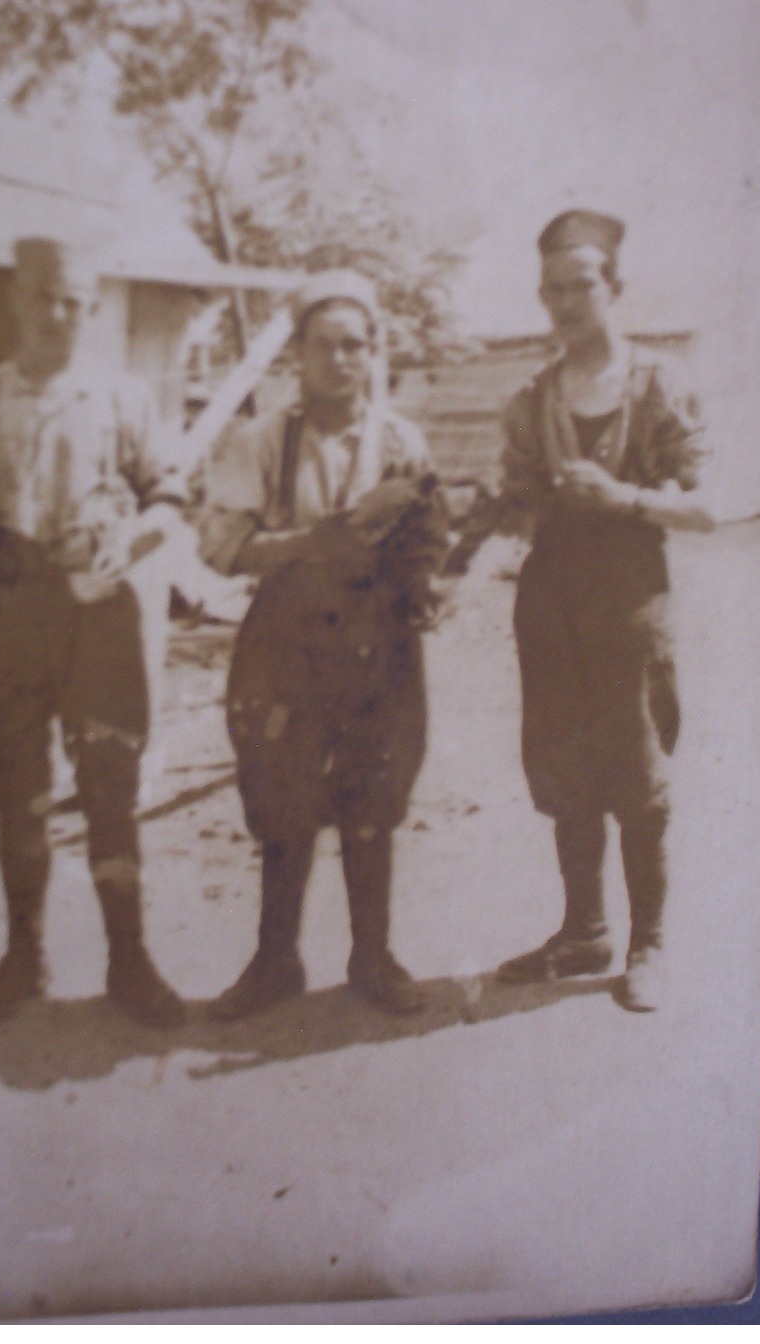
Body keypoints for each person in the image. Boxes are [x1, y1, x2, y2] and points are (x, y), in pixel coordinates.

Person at [0, 236, 187, 1027]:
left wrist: (130, 538)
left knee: (109, 786)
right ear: (17, 298)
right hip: (6, 607)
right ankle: (23, 955)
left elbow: (170, 498)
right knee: (18, 791)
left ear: (93, 307)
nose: (60, 314)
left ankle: (129, 961)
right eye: (45, 296)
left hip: (97, 613)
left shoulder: (122, 396)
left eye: (76, 301)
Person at [200, 270, 450, 1019]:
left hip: (379, 642)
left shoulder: (401, 440)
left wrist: (423, 583)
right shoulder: (262, 439)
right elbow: (224, 548)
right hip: (287, 638)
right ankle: (275, 960)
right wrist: (315, 542)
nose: (340, 360)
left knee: (372, 792)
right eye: (323, 346)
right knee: (282, 795)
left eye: (354, 346)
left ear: (373, 353)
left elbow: (428, 534)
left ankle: (371, 957)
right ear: (297, 357)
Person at [496, 209, 713, 1013]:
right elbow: (516, 508)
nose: (564, 301)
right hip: (550, 602)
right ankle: (582, 930)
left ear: (612, 286)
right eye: (550, 287)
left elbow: (708, 505)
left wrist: (621, 496)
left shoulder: (655, 383)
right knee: (562, 764)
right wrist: (491, 513)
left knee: (637, 768)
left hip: (629, 599)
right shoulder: (529, 399)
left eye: (579, 283)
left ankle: (646, 943)